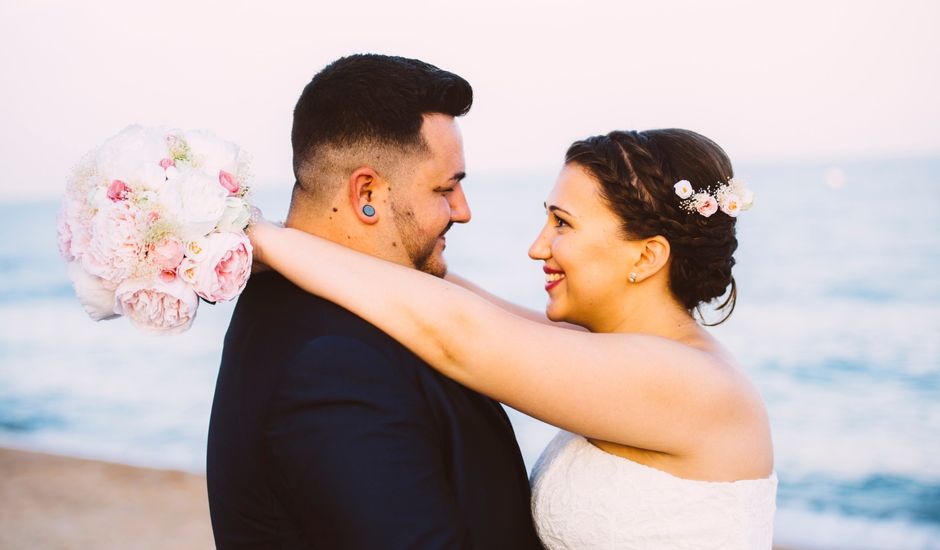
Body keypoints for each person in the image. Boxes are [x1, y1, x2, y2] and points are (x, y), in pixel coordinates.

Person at [248, 128, 779, 548]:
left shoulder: (693, 385)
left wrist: (259, 239)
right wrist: (283, 234)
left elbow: (460, 334)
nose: (537, 247)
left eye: (562, 224)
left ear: (646, 256)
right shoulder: (618, 352)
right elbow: (449, 299)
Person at [206, 54, 542, 549]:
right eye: (446, 188)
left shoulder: (324, 304)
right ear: (368, 192)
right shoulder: (331, 362)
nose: (463, 212)